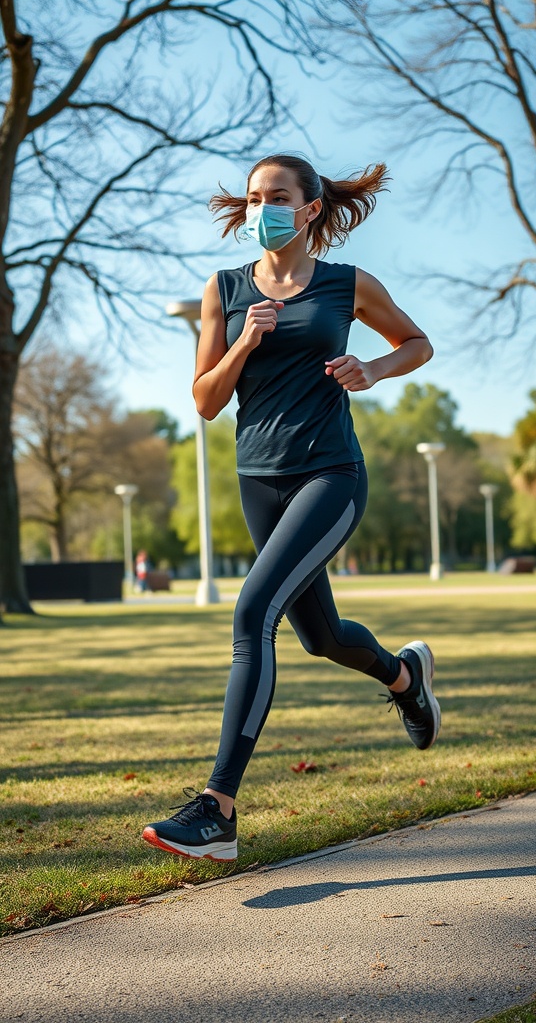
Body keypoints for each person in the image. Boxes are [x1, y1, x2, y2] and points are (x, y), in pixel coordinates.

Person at [142, 154, 440, 862]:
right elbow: (207, 402)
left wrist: (372, 368)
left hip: (330, 474)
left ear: (308, 209)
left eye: (277, 196)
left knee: (253, 614)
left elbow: (417, 343)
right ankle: (405, 678)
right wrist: (244, 339)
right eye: (252, 197)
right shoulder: (224, 290)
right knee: (322, 636)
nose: (261, 208)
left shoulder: (346, 284)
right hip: (258, 479)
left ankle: (217, 809)